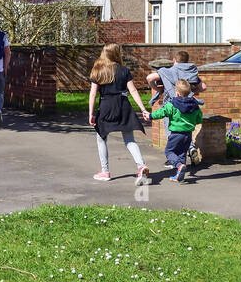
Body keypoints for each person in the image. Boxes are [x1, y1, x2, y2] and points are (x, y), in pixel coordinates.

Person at [87, 43, 151, 184]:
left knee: (101, 137)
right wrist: (143, 109)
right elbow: (133, 91)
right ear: (117, 54)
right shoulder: (123, 70)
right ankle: (141, 165)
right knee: (129, 140)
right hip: (123, 105)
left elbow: (93, 94)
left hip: (106, 106)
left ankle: (105, 171)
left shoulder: (98, 69)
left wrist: (91, 113)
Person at [150, 79, 203, 182]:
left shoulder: (172, 104)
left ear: (177, 93)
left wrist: (151, 116)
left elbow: (162, 112)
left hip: (175, 134)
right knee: (182, 153)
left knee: (169, 151)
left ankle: (178, 166)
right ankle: (180, 175)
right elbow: (199, 118)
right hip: (188, 135)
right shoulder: (194, 105)